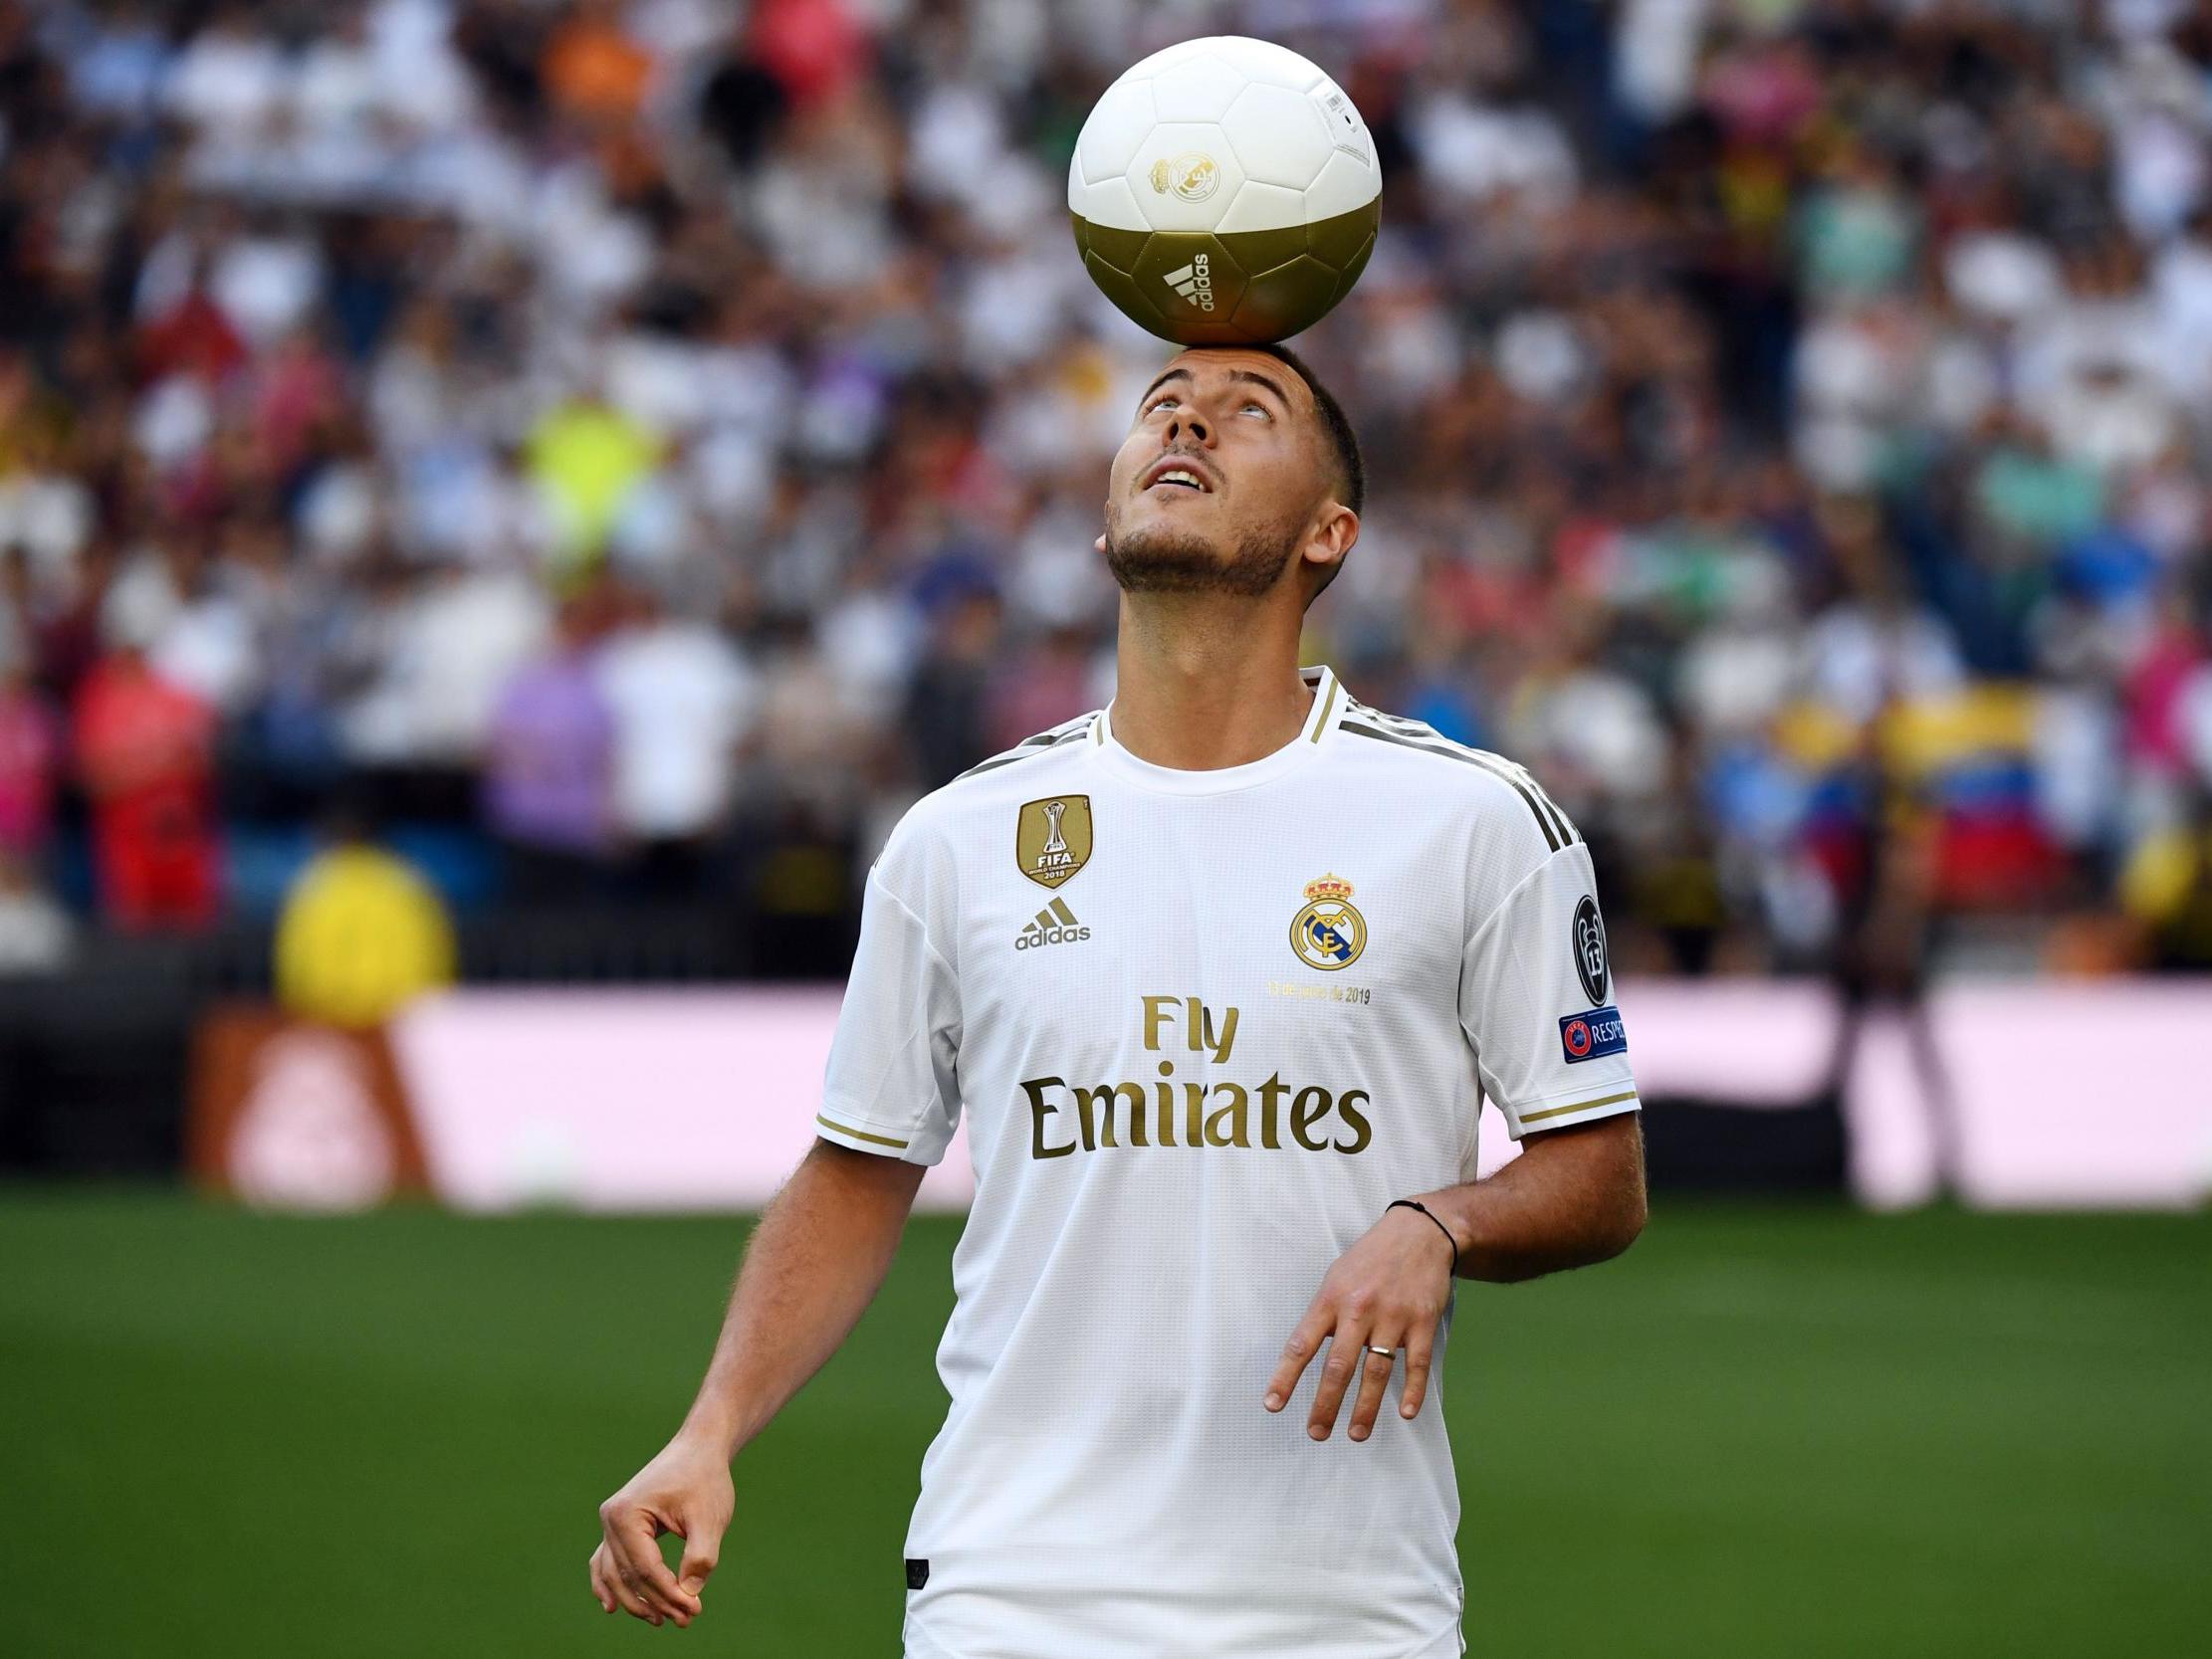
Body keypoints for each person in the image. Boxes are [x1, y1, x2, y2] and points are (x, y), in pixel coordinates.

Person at [588, 345, 1649, 1657]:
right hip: (1010, 1596)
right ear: (1104, 514)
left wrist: (1438, 1222)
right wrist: (709, 1431)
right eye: (1160, 407)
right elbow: (857, 1169)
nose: (1186, 418)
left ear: (1330, 533)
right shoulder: (958, 839)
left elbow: (1599, 1172)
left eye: (1246, 412)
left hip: (1339, 1613)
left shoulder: (1474, 823)